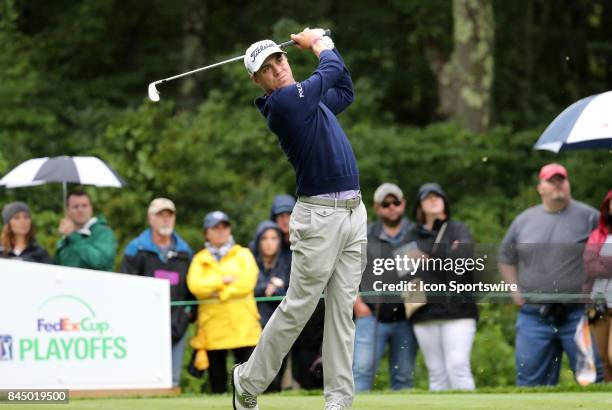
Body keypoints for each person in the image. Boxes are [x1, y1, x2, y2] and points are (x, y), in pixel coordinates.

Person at [233, 28, 367, 410]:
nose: (277, 68)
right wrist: (320, 43)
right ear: (256, 80)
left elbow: (345, 90)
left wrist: (328, 51)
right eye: (267, 67)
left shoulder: (309, 102)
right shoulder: (285, 105)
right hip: (319, 217)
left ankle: (338, 400)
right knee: (300, 306)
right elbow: (331, 68)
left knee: (342, 309)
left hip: (354, 212)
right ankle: (247, 380)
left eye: (280, 58)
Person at [498, 163, 602, 386]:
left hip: (579, 314)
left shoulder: (590, 217)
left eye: (561, 180)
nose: (557, 185)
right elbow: (505, 258)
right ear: (540, 188)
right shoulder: (523, 221)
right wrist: (514, 291)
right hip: (534, 316)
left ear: (568, 184)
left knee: (593, 380)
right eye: (551, 181)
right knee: (529, 384)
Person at [408, 182, 478, 391]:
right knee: (436, 373)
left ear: (445, 203)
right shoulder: (411, 234)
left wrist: (427, 259)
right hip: (424, 312)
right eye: (427, 197)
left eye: (437, 196)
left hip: (459, 311)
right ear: (420, 206)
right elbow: (402, 267)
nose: (433, 200)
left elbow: (463, 260)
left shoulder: (459, 228)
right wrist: (447, 253)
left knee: (458, 367)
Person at [120, 198, 194, 388]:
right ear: (150, 219)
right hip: (144, 325)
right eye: (160, 215)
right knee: (145, 380)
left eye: (169, 215)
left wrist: (188, 313)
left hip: (177, 322)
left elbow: (192, 288)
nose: (166, 220)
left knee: (173, 381)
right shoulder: (136, 249)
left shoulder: (185, 252)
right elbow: (126, 286)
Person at [353, 183, 418, 391]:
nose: (391, 207)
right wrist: (357, 303)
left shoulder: (418, 235)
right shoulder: (364, 235)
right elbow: (348, 270)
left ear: (403, 204)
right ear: (377, 208)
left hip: (407, 318)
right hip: (370, 316)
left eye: (396, 202)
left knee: (404, 376)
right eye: (385, 203)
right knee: (361, 373)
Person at [187, 211, 261, 394]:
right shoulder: (199, 258)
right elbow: (195, 286)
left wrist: (218, 293)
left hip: (243, 325)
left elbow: (247, 283)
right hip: (213, 326)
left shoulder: (243, 254)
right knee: (217, 383)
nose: (221, 231)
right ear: (206, 233)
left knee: (247, 383)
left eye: (224, 227)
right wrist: (223, 281)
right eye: (215, 228)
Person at [252, 220, 290, 392]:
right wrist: (267, 287)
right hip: (253, 325)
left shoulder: (288, 261)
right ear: (258, 241)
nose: (269, 242)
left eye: (274, 238)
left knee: (276, 379)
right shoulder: (249, 260)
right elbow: (248, 289)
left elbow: (290, 294)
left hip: (281, 325)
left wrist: (272, 291)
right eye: (265, 238)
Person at [584, 189, 612, 381]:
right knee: (604, 360)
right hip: (600, 303)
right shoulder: (598, 234)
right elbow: (590, 266)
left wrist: (603, 262)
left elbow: (598, 263)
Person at [54, 190, 117, 271]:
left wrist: (73, 236)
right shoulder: (64, 239)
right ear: (68, 210)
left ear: (91, 208)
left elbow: (99, 262)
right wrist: (65, 240)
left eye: (84, 206)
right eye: (75, 206)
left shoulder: (104, 233)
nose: (80, 210)